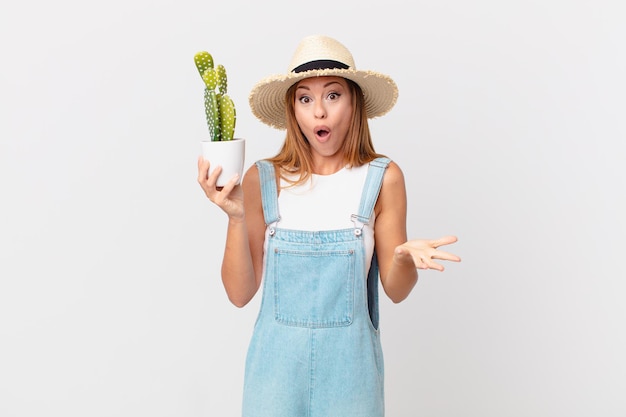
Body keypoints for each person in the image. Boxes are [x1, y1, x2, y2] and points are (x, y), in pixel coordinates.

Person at [197, 35, 460, 417]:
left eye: (333, 95)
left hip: (351, 385)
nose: (319, 112)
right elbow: (239, 294)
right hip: (273, 385)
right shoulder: (262, 179)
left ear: (354, 103)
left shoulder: (382, 178)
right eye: (305, 98)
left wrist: (402, 257)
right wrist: (236, 218)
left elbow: (397, 291)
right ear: (293, 110)